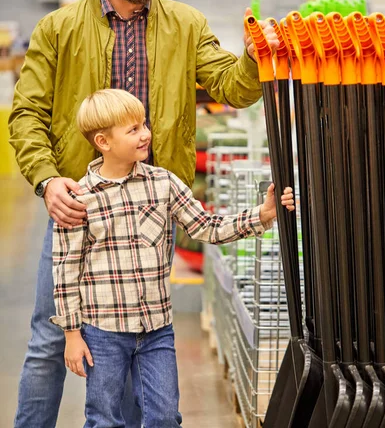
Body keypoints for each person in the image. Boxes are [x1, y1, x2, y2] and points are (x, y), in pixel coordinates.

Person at [9, 0, 280, 428]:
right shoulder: (59, 28)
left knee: (137, 343)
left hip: (151, 215)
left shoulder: (185, 24)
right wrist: (46, 181)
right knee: (48, 341)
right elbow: (27, 114)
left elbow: (230, 85)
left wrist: (251, 57)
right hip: (79, 209)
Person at [50, 89, 295, 428]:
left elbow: (208, 227)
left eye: (143, 124)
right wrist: (72, 334)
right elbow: (65, 269)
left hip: (156, 329)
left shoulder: (163, 183)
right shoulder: (80, 198)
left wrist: (263, 214)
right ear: (103, 141)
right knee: (104, 418)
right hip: (102, 331)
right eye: (132, 129)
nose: (145, 133)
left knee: (165, 417)